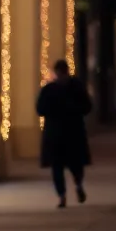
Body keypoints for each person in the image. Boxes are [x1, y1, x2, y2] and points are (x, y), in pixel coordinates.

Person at [37, 59, 92, 208]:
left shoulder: (50, 89)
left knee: (59, 167)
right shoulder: (76, 87)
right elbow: (87, 107)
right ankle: (73, 187)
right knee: (73, 165)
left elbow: (40, 109)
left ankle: (64, 195)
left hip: (56, 134)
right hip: (72, 133)